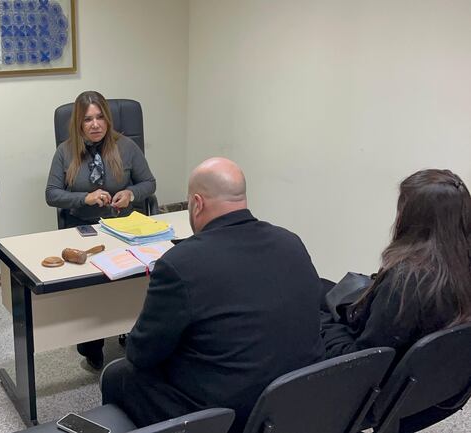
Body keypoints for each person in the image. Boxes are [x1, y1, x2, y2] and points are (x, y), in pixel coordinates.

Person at [101, 157, 324, 432]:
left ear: (197, 203)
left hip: (227, 416)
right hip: (296, 401)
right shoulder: (290, 241)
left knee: (120, 375)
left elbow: (141, 354)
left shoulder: (180, 264)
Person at [320, 169, 471, 431]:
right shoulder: (456, 267)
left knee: (308, 311)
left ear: (414, 217)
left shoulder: (406, 281)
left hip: (381, 393)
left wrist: (322, 326)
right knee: (323, 288)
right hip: (438, 390)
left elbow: (365, 361)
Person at [45, 90, 156, 369]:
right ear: (78, 124)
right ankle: (91, 343)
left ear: (107, 119)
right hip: (83, 228)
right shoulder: (65, 151)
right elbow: (51, 194)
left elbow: (149, 184)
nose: (95, 125)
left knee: (131, 279)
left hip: (123, 226)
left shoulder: (127, 146)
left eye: (99, 118)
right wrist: (85, 198)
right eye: (87, 120)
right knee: (92, 284)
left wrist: (131, 193)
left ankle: (131, 328)